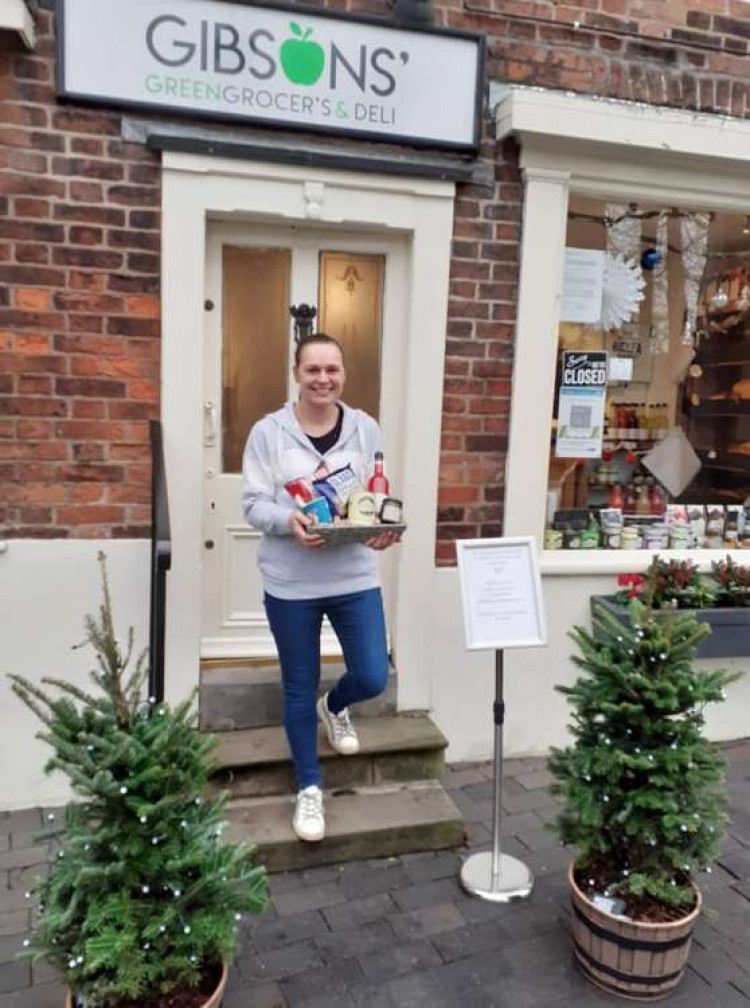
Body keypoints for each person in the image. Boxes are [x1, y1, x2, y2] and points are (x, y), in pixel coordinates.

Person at [241, 333, 400, 842]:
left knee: (374, 674)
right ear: (297, 372)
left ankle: (335, 707)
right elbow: (252, 504)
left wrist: (378, 528)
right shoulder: (269, 433)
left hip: (353, 576)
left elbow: (372, 495)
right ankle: (309, 786)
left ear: (344, 374)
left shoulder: (365, 427)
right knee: (297, 684)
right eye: (313, 370)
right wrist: (289, 521)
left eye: (332, 369)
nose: (323, 379)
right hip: (291, 584)